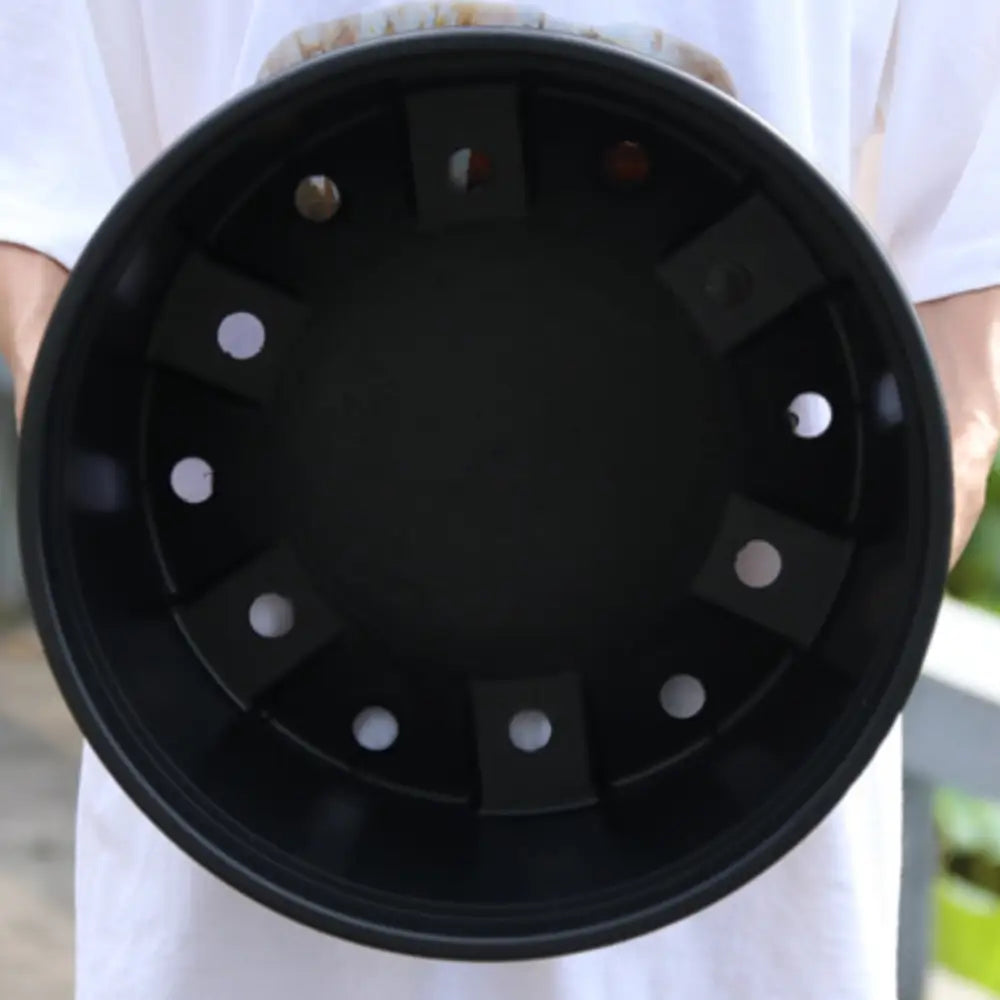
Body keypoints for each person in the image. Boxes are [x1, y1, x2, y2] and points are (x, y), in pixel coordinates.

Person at [2, 2, 999, 998]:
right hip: (236, 814)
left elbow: (975, 247)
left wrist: (856, 621)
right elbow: (36, 190)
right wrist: (122, 607)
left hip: (738, 860)